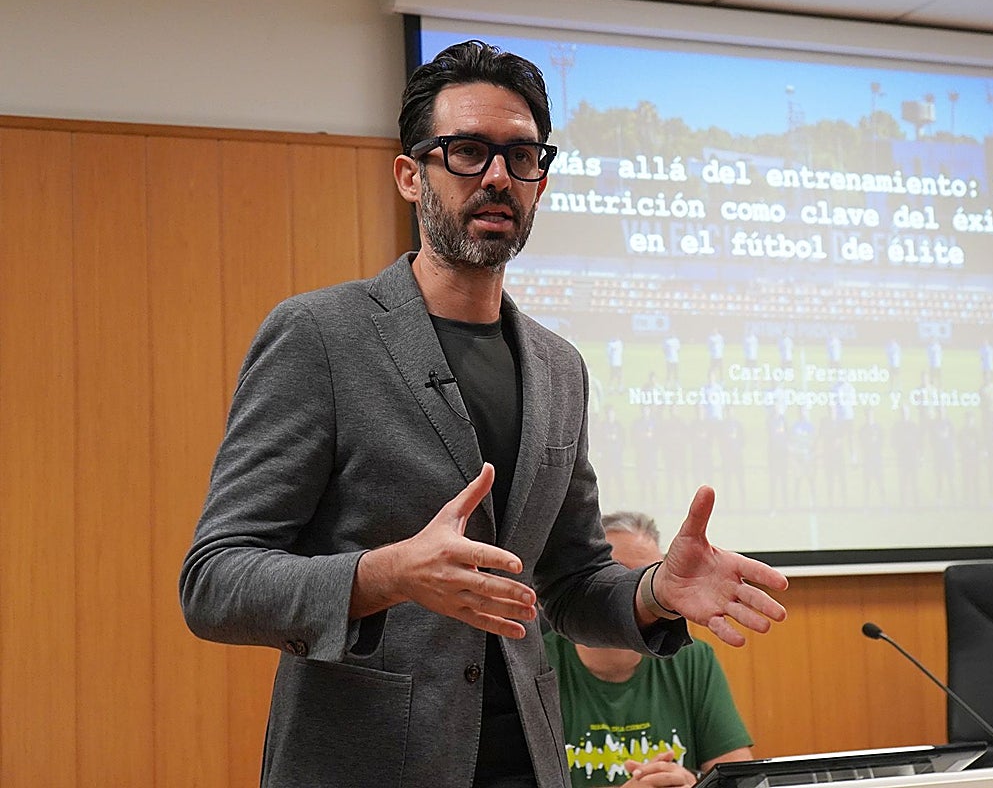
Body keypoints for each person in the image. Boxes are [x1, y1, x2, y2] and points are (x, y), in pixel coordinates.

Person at [178, 39, 787, 788]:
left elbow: (567, 583)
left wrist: (652, 591)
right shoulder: (321, 337)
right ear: (411, 175)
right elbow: (215, 581)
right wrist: (387, 574)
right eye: (467, 151)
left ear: (540, 181)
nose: (498, 175)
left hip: (527, 764)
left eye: (521, 157)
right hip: (364, 763)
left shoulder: (559, 365)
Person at [546, 513, 754, 787]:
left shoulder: (692, 658)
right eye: (617, 579)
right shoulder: (539, 664)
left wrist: (695, 783)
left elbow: (739, 775)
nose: (631, 597)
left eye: (648, 580)